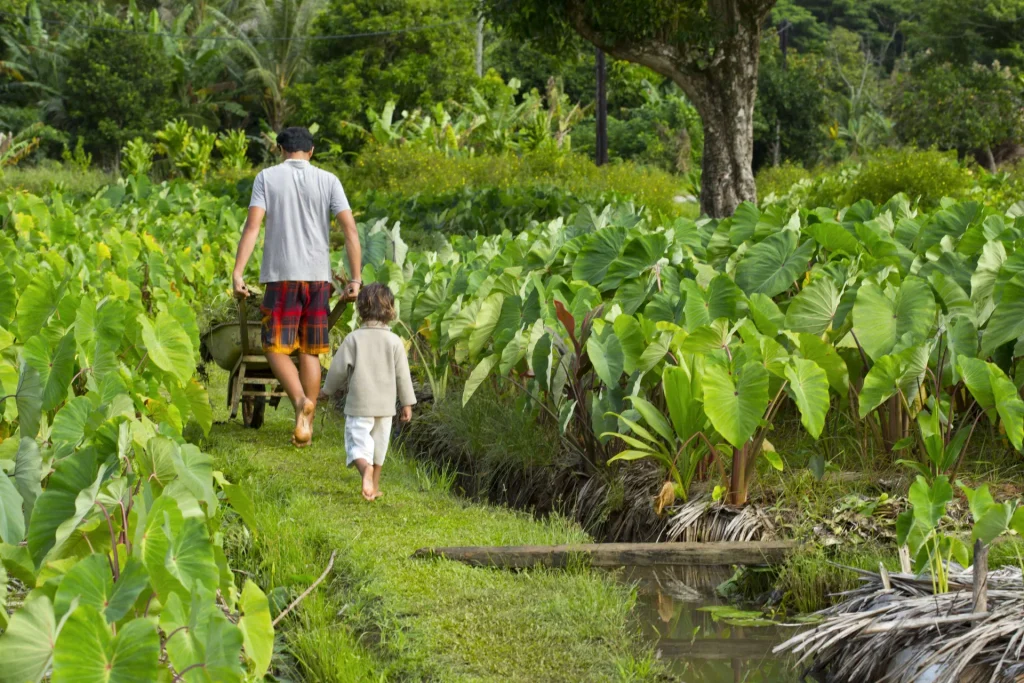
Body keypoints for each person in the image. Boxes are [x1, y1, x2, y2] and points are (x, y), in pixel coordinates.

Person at [232, 126, 362, 447]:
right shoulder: (328, 180)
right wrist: (356, 279)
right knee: (310, 350)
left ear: (280, 150)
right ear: (311, 151)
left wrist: (238, 273)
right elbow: (350, 230)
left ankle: (301, 400)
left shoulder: (267, 178)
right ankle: (306, 423)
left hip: (282, 275)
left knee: (275, 347)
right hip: (318, 278)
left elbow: (252, 226)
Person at [319, 283, 416, 501]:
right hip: (385, 407)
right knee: (379, 447)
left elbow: (337, 369)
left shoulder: (353, 339)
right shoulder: (394, 342)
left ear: (361, 309)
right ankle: (374, 487)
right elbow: (403, 375)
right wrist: (407, 404)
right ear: (390, 310)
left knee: (358, 445)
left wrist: (326, 390)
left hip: (359, 405)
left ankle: (366, 472)